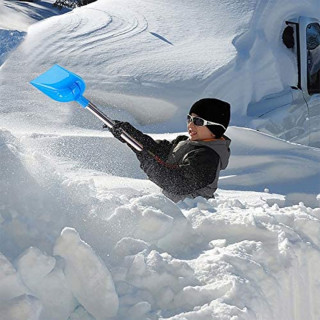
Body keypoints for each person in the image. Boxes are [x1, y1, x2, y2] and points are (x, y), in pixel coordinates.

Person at [106, 98, 231, 202]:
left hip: (189, 217)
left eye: (198, 121)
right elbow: (155, 149)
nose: (190, 125)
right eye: (189, 119)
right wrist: (129, 134)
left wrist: (149, 163)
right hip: (175, 212)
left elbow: (178, 184)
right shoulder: (185, 144)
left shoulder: (208, 157)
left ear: (215, 128)